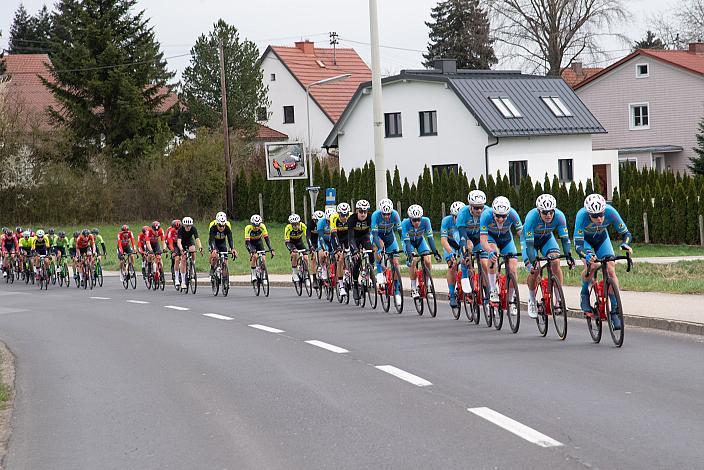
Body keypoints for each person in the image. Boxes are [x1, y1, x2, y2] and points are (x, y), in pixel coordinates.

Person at [574, 193, 632, 330]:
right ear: (589, 214)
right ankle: (584, 293)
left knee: (610, 268)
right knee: (593, 265)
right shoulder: (581, 216)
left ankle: (615, 310)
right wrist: (586, 256)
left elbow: (626, 234)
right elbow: (578, 245)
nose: (599, 219)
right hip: (586, 243)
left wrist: (625, 244)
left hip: (602, 239)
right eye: (595, 216)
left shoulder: (611, 212)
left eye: (601, 214)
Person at [521, 194, 575, 318]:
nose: (549, 215)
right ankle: (531, 300)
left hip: (547, 239)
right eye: (545, 213)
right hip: (530, 242)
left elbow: (565, 239)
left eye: (551, 212)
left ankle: (558, 299)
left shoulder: (560, 216)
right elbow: (529, 245)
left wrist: (568, 256)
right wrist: (533, 260)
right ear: (539, 211)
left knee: (555, 261)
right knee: (535, 270)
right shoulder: (531, 218)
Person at [479, 196, 523, 303]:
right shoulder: (485, 215)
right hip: (491, 238)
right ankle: (493, 289)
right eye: (498, 216)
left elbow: (521, 234)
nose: (500, 219)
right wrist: (489, 252)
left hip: (506, 239)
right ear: (493, 213)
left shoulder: (513, 214)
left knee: (513, 268)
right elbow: (483, 240)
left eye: (503, 216)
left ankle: (511, 299)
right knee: (494, 254)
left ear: (507, 214)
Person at [401, 204, 441, 298]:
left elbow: (430, 238)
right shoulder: (405, 224)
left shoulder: (426, 221)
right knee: (413, 261)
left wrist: (435, 252)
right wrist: (410, 255)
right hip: (408, 242)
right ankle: (413, 288)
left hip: (420, 241)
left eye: (419, 219)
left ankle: (427, 285)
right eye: (414, 220)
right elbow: (406, 242)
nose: (417, 222)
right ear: (410, 218)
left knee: (427, 259)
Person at [457, 190, 490, 296]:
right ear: (470, 206)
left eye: (481, 207)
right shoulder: (463, 213)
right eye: (476, 208)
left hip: (479, 237)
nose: (479, 210)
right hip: (465, 236)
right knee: (467, 252)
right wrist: (466, 253)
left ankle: (486, 289)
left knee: (484, 263)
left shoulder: (488, 211)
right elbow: (462, 236)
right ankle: (465, 276)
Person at [370, 198, 403, 304]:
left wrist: (405, 245)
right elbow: (374, 234)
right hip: (377, 236)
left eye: (388, 214)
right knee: (379, 247)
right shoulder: (375, 215)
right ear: (381, 212)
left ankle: (397, 291)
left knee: (396, 263)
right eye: (384, 214)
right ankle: (379, 272)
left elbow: (400, 232)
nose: (387, 216)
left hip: (390, 236)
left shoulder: (395, 214)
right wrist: (379, 248)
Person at [347, 199, 374, 301]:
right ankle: (354, 284)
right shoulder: (352, 219)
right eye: (361, 212)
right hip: (354, 238)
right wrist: (354, 251)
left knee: (371, 252)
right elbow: (350, 237)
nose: (363, 214)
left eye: (365, 212)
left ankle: (370, 273)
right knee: (357, 261)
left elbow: (374, 231)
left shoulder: (370, 217)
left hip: (365, 236)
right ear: (357, 211)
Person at [440, 201, 466, 308]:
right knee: (452, 265)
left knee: (468, 262)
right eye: (456, 217)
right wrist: (450, 253)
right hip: (450, 245)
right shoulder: (446, 221)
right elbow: (443, 240)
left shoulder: (466, 221)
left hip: (462, 244)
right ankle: (451, 294)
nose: (458, 219)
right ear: (452, 216)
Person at [330, 202, 352, 298]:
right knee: (340, 258)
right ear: (339, 214)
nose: (345, 217)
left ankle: (350, 269)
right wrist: (338, 248)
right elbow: (334, 235)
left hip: (347, 236)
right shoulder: (334, 218)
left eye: (346, 214)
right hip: (337, 237)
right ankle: (341, 286)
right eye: (343, 215)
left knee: (353, 254)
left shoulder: (351, 216)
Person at [208, 211, 237, 280]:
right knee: (215, 256)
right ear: (217, 224)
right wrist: (213, 249)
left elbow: (230, 238)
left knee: (225, 261)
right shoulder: (212, 226)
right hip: (214, 241)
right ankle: (212, 268)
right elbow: (211, 239)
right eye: (220, 226)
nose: (222, 227)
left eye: (223, 225)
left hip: (222, 242)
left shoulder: (227, 226)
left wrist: (232, 248)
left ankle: (225, 278)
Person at [245, 215, 274, 282]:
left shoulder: (262, 227)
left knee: (263, 258)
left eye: (258, 225)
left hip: (259, 242)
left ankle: (263, 275)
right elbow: (247, 242)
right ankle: (253, 274)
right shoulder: (248, 228)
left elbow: (266, 239)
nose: (257, 227)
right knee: (254, 256)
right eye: (255, 226)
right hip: (250, 243)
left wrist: (270, 249)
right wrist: (251, 250)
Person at [176, 217, 202, 289]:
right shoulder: (181, 230)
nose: (188, 227)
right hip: (182, 243)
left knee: (193, 250)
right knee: (183, 259)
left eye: (189, 226)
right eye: (187, 226)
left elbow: (197, 238)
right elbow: (179, 242)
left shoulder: (193, 228)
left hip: (189, 241)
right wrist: (181, 249)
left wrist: (200, 247)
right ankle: (183, 282)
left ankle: (192, 265)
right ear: (184, 225)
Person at [284, 213, 309, 282]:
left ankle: (306, 275)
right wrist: (291, 249)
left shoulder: (302, 226)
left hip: (299, 241)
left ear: (299, 222)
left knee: (306, 258)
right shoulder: (288, 228)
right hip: (291, 242)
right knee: (294, 254)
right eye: (293, 224)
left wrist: (311, 246)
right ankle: (295, 273)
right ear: (291, 224)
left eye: (296, 223)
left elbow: (308, 237)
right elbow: (287, 241)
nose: (295, 225)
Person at [316, 208, 336, 283]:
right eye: (328, 221)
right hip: (323, 241)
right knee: (322, 254)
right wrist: (324, 250)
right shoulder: (321, 222)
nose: (330, 222)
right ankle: (323, 268)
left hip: (332, 240)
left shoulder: (336, 220)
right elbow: (320, 237)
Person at [307, 210, 325, 282]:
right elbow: (308, 236)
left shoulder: (324, 223)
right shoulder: (310, 224)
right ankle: (314, 278)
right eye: (317, 221)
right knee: (313, 257)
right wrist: (311, 246)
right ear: (314, 220)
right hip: (313, 241)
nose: (319, 222)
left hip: (321, 239)